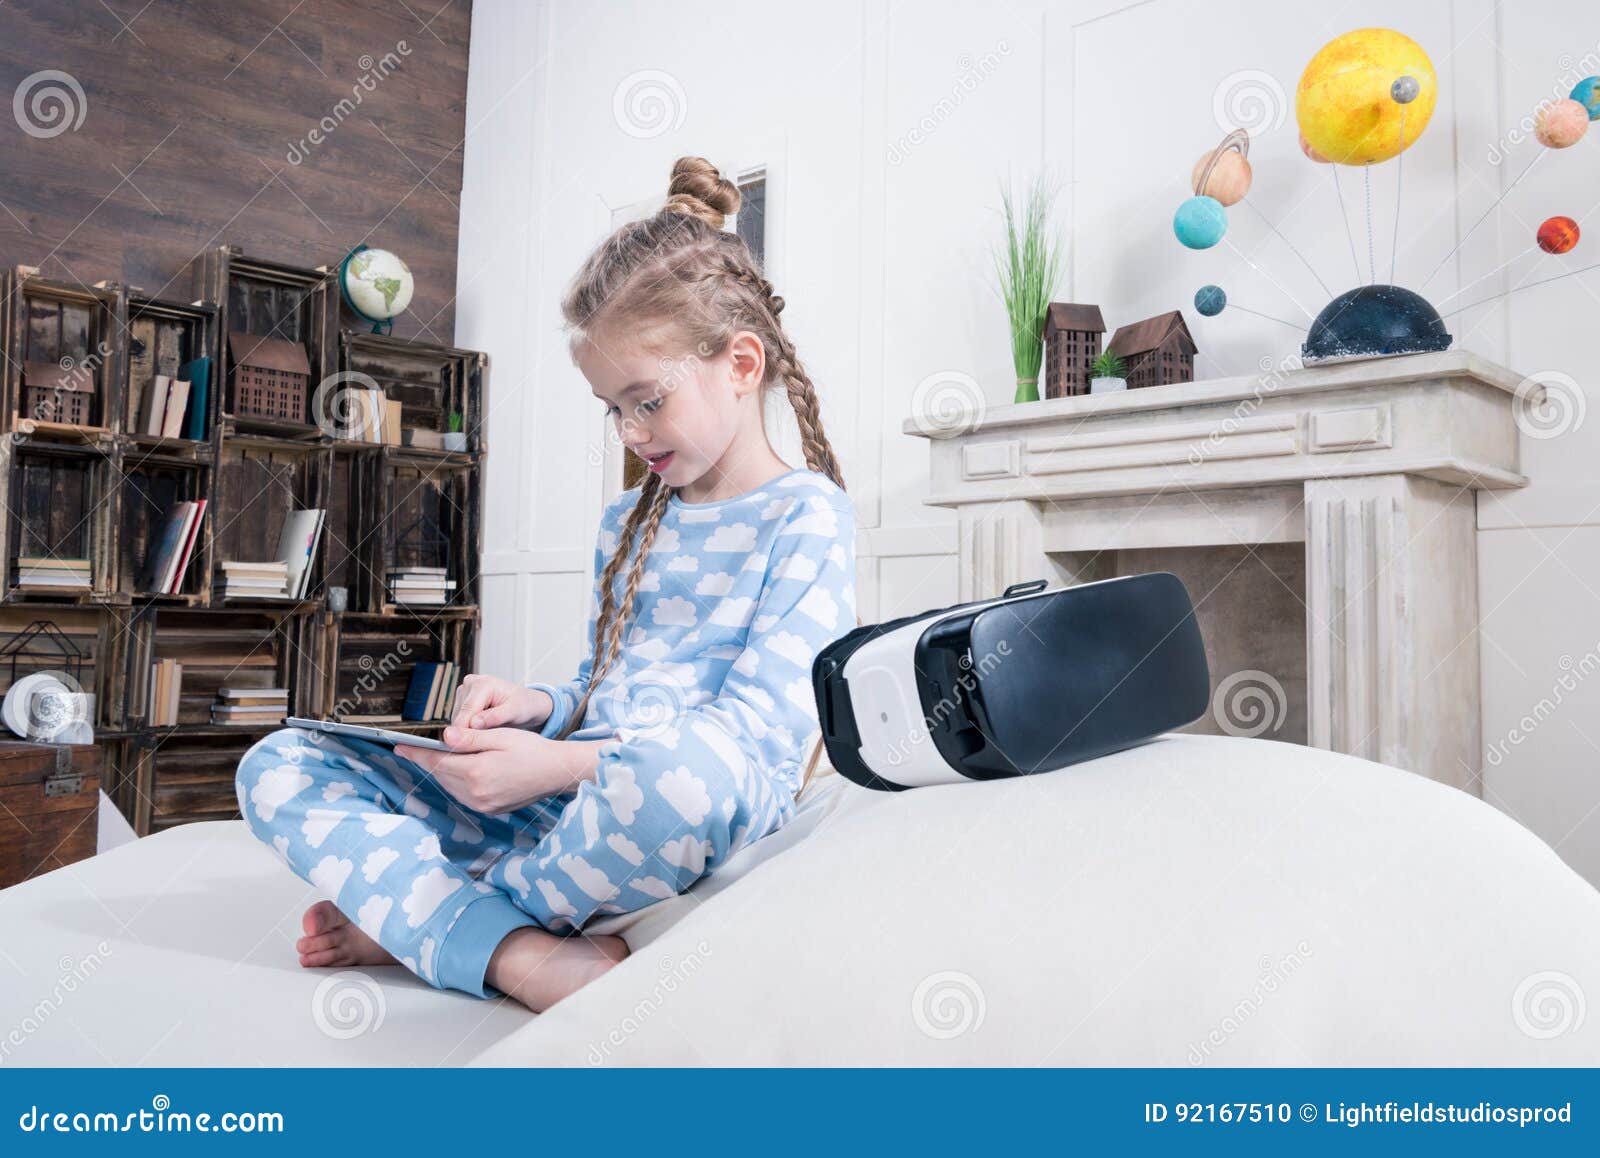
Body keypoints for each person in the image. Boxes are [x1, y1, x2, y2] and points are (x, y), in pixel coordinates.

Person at [235, 156, 856, 1013]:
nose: (631, 432)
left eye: (647, 401)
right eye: (613, 408)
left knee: (682, 776)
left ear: (741, 364)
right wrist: (540, 710)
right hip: (567, 807)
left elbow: (759, 744)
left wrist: (560, 762)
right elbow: (612, 694)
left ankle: (450, 927)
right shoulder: (627, 526)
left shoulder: (806, 518)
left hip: (666, 809)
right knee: (279, 761)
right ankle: (506, 935)